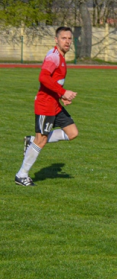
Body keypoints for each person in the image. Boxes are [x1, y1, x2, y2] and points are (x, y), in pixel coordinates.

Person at [16, 27, 79, 187]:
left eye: (69, 38)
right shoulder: (54, 57)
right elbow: (43, 77)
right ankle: (21, 175)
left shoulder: (62, 57)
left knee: (72, 133)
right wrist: (63, 92)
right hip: (45, 105)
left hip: (55, 103)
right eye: (63, 38)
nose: (67, 41)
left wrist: (60, 96)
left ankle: (32, 141)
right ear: (56, 39)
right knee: (41, 141)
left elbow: (54, 81)